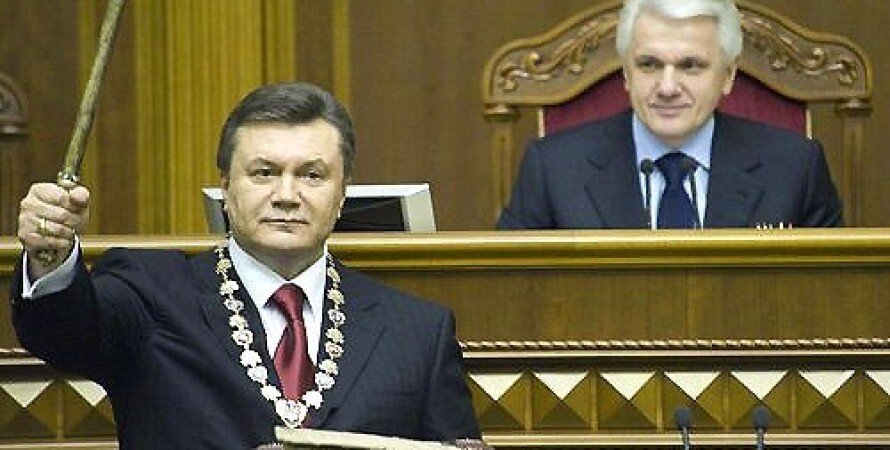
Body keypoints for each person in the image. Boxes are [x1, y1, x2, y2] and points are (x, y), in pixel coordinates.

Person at [12, 82, 481, 448]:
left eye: (311, 175)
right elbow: (62, 333)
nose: (286, 195)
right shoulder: (150, 294)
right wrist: (50, 255)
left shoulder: (418, 332)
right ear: (226, 187)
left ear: (342, 194)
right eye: (264, 173)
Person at [496, 0, 842, 230]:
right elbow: (510, 297)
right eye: (649, 65)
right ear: (626, 73)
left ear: (728, 75)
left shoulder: (796, 168)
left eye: (690, 66)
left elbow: (832, 298)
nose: (667, 87)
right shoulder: (553, 170)